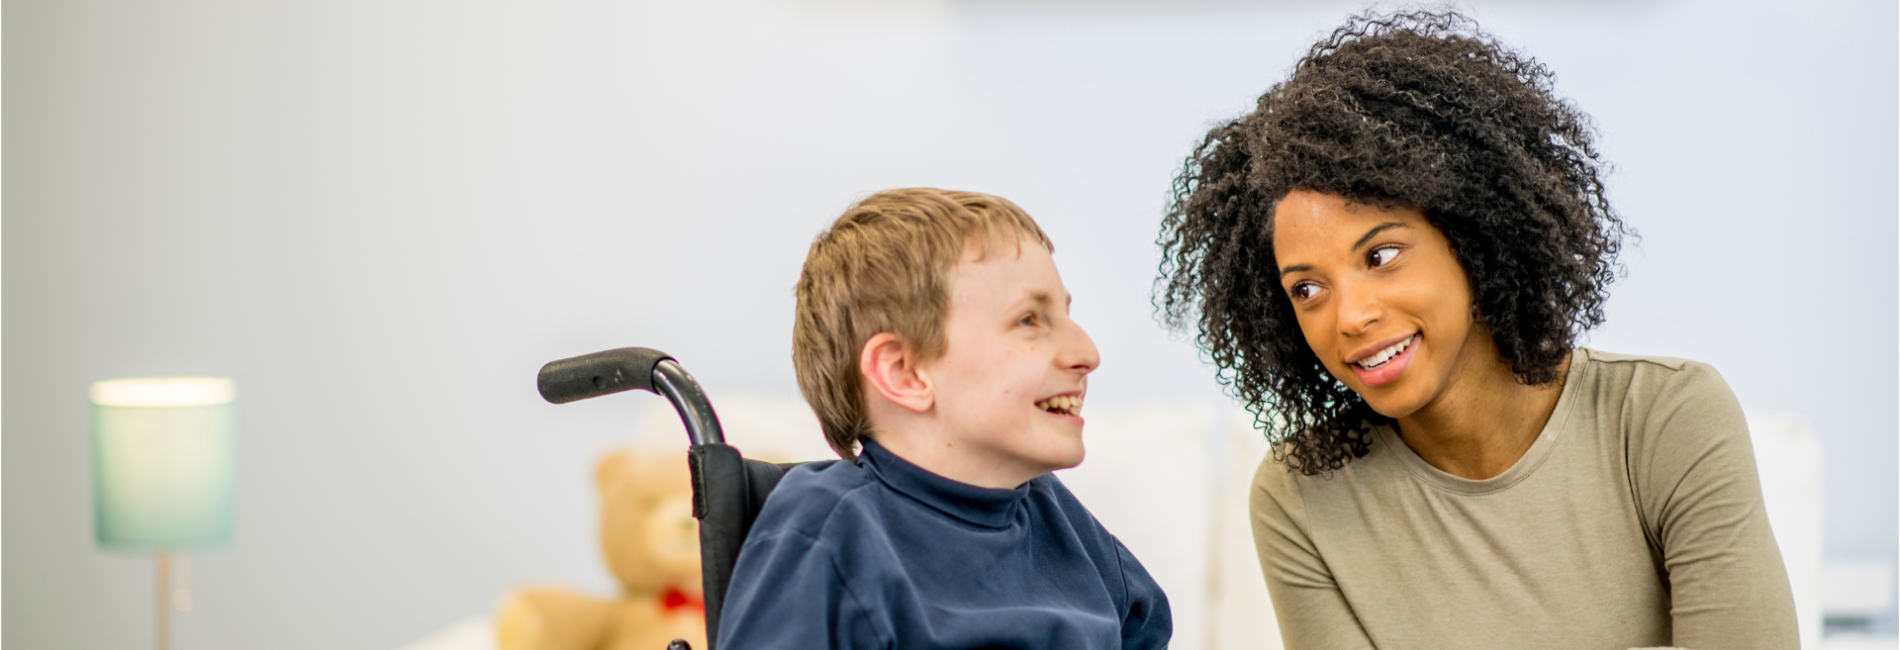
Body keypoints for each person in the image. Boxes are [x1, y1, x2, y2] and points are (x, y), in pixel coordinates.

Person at [1155, 11, 1797, 650]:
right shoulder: (1300, 498)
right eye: (1307, 290)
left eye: (1381, 255)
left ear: (1471, 236)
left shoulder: (1663, 421)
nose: (1349, 317)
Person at [717, 188, 1172, 649]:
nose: (1087, 354)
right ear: (904, 372)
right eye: (1029, 320)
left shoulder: (1058, 519)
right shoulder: (830, 531)